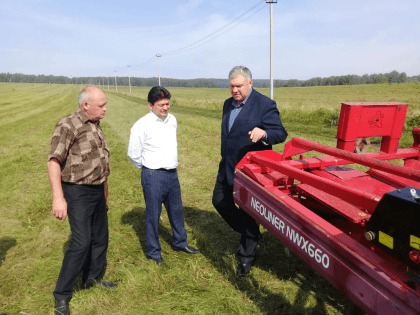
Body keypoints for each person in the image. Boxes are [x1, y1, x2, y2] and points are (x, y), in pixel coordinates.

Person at [212, 66, 288, 275]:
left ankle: (246, 256)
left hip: (249, 170)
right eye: (231, 86)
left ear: (250, 83)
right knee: (220, 201)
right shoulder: (228, 104)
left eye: (239, 86)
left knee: (246, 212)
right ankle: (252, 233)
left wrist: (264, 133)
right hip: (227, 164)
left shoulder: (264, 104)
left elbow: (280, 133)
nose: (234, 90)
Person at [47, 86, 116, 315]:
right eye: (101, 105)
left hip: (97, 191)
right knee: (81, 242)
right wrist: (58, 198)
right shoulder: (68, 125)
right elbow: (54, 161)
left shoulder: (95, 124)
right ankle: (62, 295)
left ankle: (92, 279)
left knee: (100, 239)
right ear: (85, 105)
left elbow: (99, 161)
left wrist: (104, 193)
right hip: (77, 192)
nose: (105, 109)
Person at [127, 86, 199, 266]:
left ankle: (180, 242)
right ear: (150, 105)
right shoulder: (141, 126)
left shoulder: (172, 120)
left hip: (172, 174)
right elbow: (133, 154)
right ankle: (154, 253)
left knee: (176, 210)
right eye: (161, 105)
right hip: (153, 175)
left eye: (167, 104)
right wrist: (148, 169)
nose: (165, 108)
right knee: (153, 214)